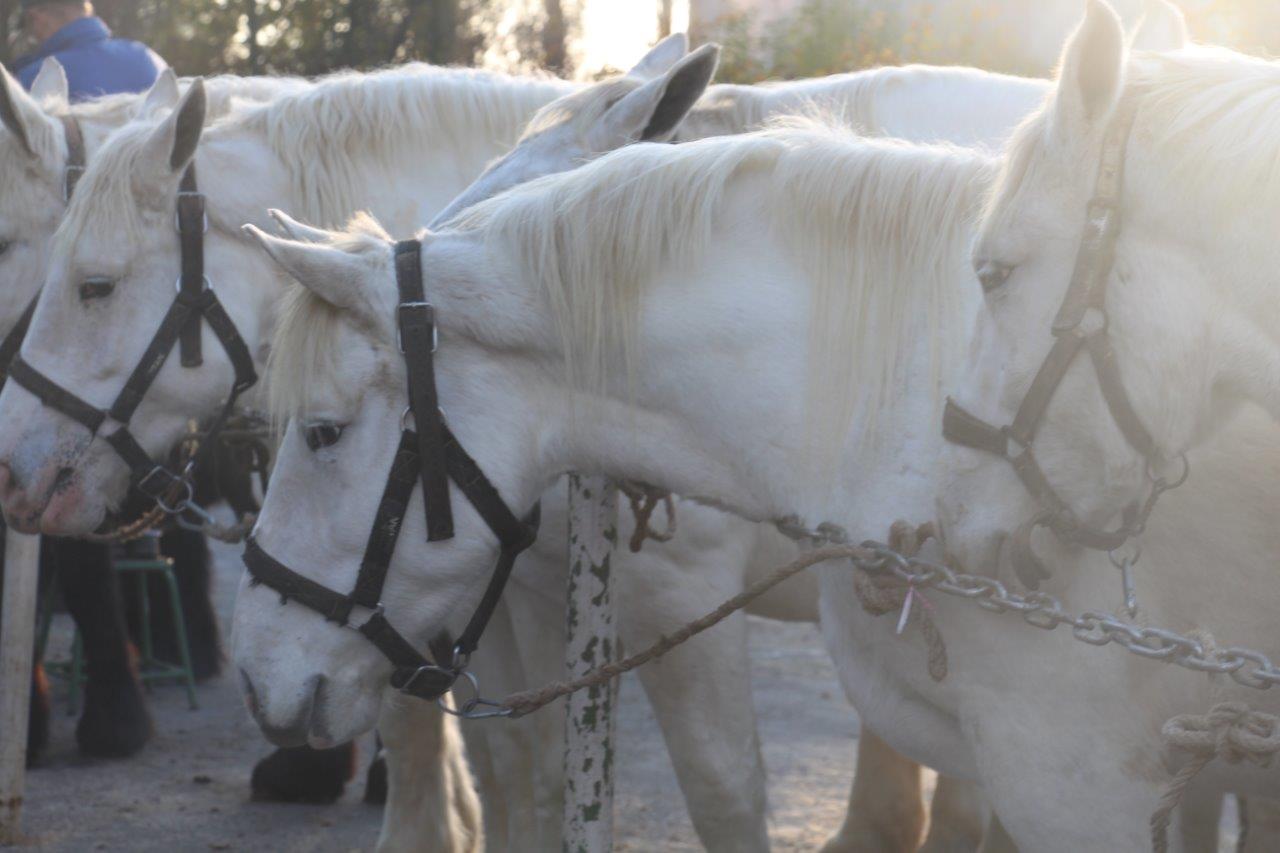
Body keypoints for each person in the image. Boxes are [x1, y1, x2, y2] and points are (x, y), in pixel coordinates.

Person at [10, 0, 166, 101]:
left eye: (27, 25)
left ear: (37, 17)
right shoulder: (148, 58)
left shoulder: (34, 78)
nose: (32, 35)